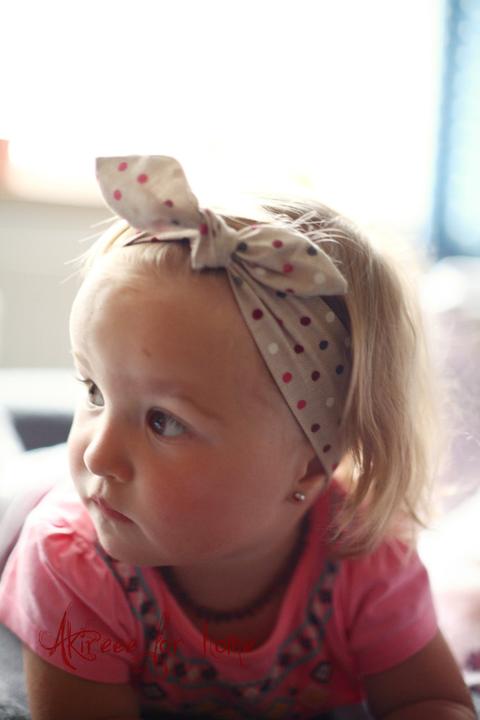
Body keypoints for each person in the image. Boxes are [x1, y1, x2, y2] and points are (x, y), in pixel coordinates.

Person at [0, 155, 475, 720]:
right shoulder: (68, 559)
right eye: (94, 391)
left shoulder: (366, 558)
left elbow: (434, 701)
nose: (98, 454)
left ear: (310, 465)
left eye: (163, 421)